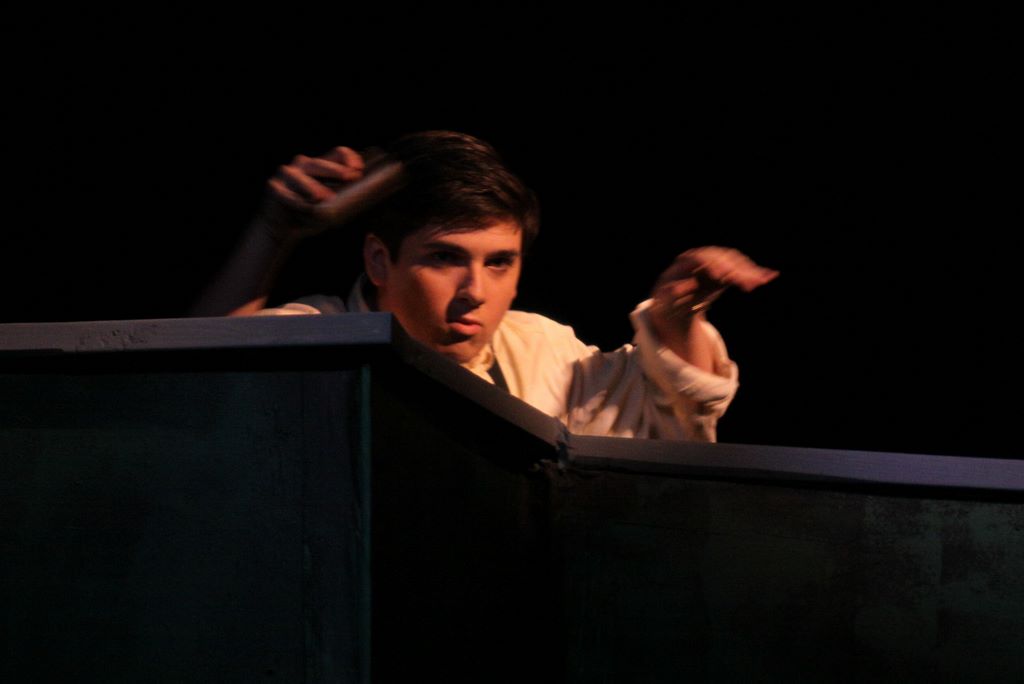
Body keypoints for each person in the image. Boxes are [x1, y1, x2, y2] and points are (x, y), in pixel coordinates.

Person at [191, 131, 777, 440]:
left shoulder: (541, 350)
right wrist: (270, 234)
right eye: (445, 258)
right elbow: (192, 393)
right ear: (379, 260)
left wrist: (677, 321)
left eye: (499, 263)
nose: (475, 290)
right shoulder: (323, 340)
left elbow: (669, 424)